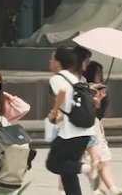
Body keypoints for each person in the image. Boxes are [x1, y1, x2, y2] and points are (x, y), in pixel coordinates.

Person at [46, 47, 92, 194]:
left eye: (52, 59)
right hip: (85, 132)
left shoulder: (56, 78)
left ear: (58, 62)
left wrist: (54, 112)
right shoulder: (73, 77)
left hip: (71, 133)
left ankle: (86, 168)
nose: (50, 62)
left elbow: (63, 91)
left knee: (53, 163)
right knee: (67, 173)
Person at [81, 61, 122, 195]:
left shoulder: (99, 88)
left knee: (103, 160)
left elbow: (99, 114)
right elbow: (87, 110)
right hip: (86, 126)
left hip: (95, 125)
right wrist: (96, 99)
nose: (100, 75)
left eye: (100, 72)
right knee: (93, 161)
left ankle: (112, 189)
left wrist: (101, 99)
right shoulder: (85, 89)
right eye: (97, 72)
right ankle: (98, 190)